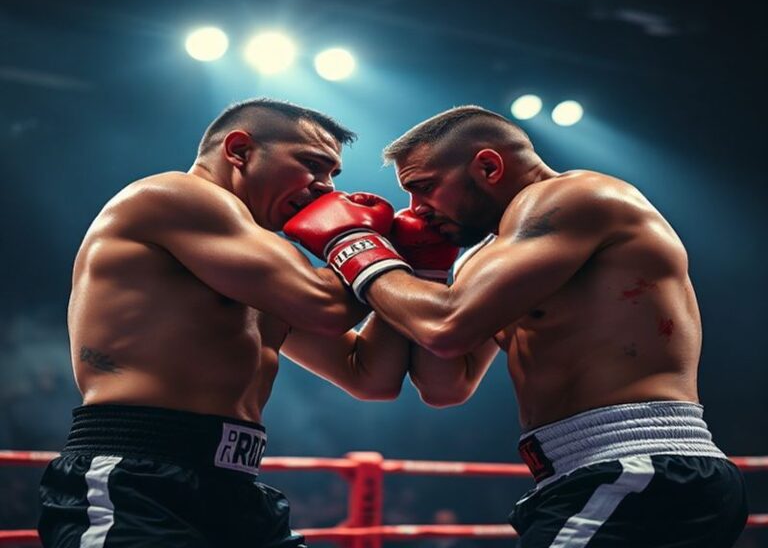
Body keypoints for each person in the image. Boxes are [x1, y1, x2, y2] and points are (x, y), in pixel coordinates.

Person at [285, 105, 749, 547]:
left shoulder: (577, 197)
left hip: (638, 468)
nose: (416, 207)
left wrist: (352, 244)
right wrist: (424, 267)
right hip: (594, 474)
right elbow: (445, 383)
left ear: (488, 166)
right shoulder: (487, 260)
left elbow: (446, 326)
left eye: (425, 186)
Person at [38, 98, 414, 548]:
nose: (326, 189)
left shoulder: (266, 264)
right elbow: (327, 306)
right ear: (239, 150)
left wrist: (419, 261)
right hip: (135, 477)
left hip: (234, 486)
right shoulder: (172, 197)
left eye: (333, 174)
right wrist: (369, 246)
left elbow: (369, 375)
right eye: (312, 165)